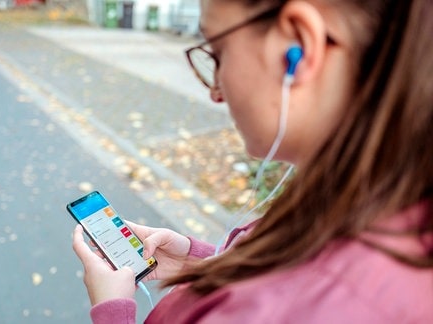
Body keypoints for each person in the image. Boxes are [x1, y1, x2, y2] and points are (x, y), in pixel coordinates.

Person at [72, 0, 433, 322]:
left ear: (299, 47)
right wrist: (200, 261)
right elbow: (282, 276)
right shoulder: (370, 206)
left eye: (218, 53)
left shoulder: (332, 302)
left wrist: (112, 312)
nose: (215, 92)